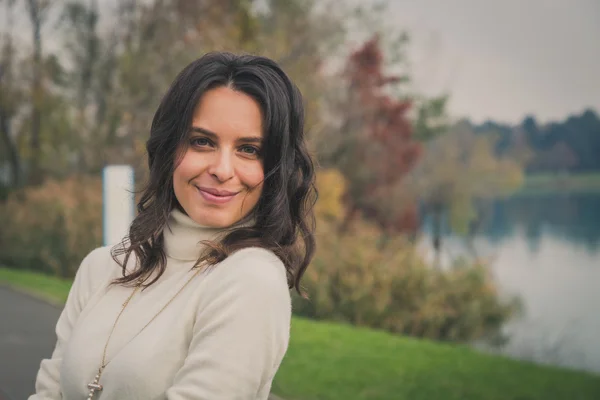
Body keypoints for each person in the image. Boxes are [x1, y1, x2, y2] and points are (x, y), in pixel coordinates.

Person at [29, 51, 317, 400]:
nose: (223, 170)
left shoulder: (250, 279)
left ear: (274, 169)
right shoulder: (101, 267)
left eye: (249, 149)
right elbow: (48, 391)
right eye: (202, 141)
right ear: (169, 147)